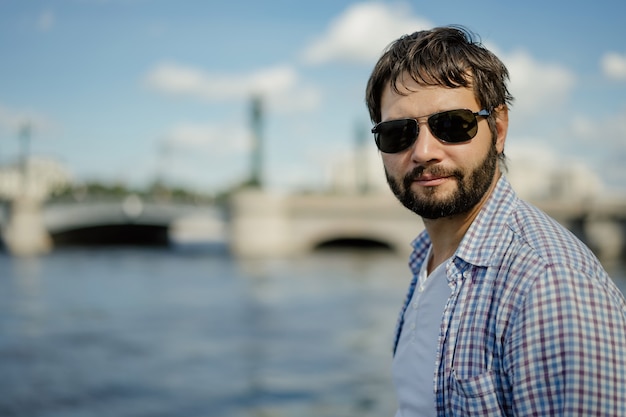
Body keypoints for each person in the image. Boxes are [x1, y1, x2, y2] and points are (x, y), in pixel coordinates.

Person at [365, 25, 626, 416]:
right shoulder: (429, 260)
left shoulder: (549, 284)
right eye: (398, 133)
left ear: (498, 129)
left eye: (452, 124)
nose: (423, 152)